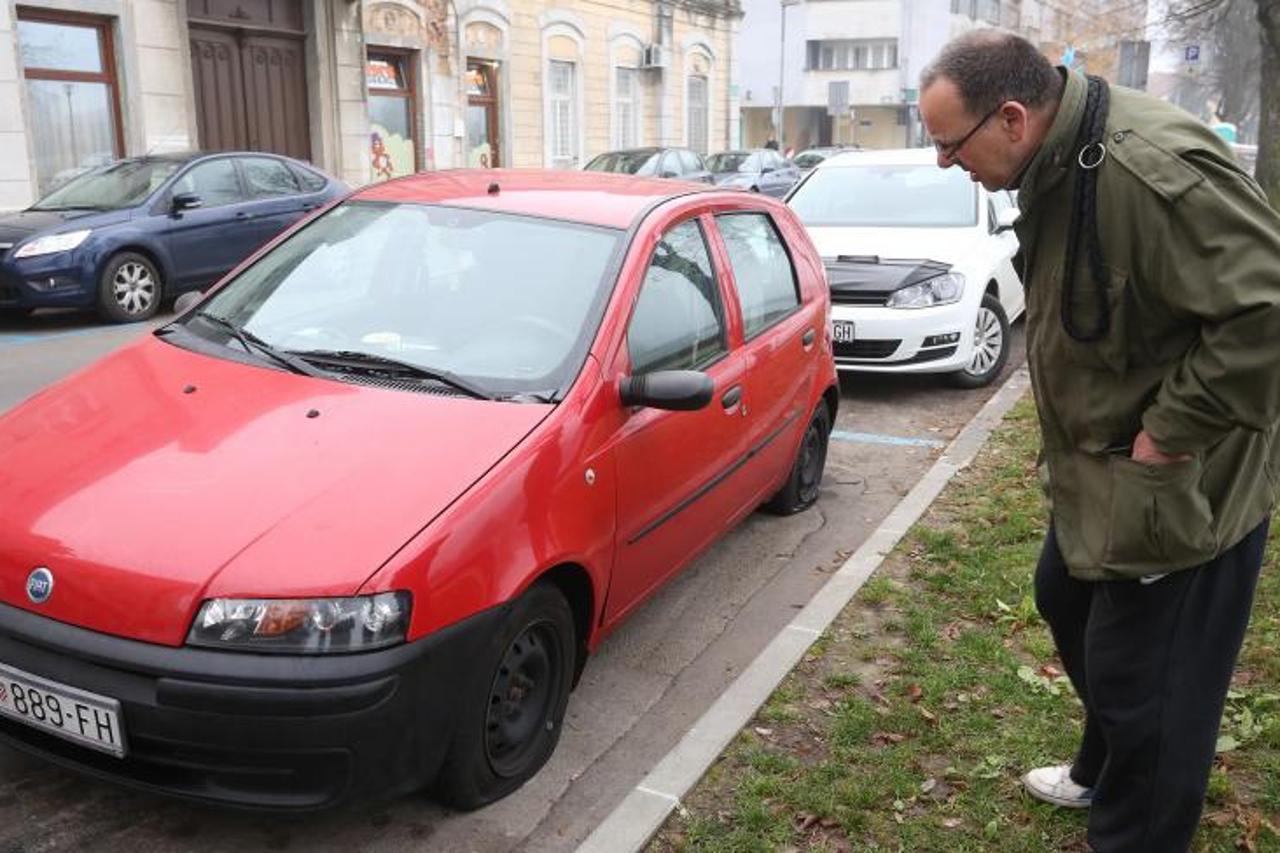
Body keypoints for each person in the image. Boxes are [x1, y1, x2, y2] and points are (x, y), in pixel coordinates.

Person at [918, 30, 1280, 853]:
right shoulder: (1061, 156)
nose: (944, 163)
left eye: (950, 143)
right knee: (1066, 597)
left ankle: (1136, 818)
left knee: (1152, 693)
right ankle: (1104, 761)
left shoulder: (1150, 173)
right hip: (1104, 471)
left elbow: (1267, 312)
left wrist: (1170, 431)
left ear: (1011, 118)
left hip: (1182, 487)